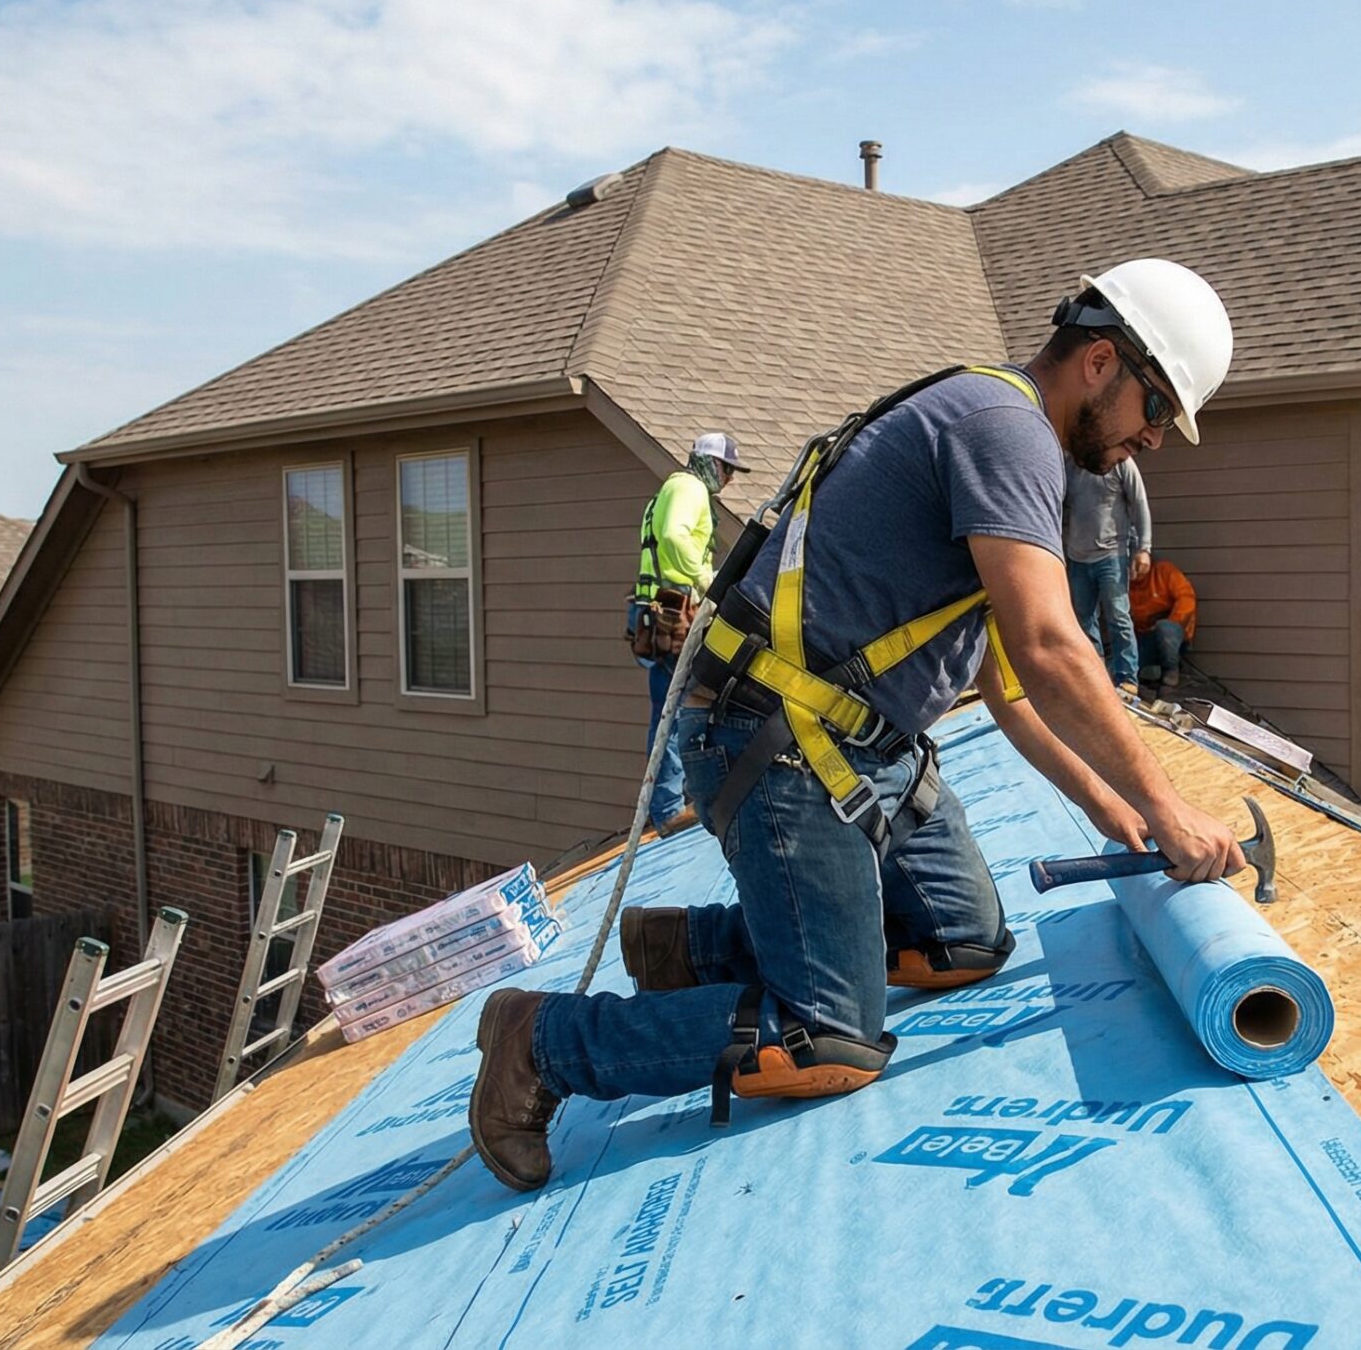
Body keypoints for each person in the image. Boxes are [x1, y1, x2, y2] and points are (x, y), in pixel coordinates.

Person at [470, 259, 1247, 1192]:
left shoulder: (1006, 439)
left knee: (965, 939)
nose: (1153, 439)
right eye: (1155, 407)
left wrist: (1118, 811)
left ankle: (687, 946)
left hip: (861, 742)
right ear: (1098, 360)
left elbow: (1010, 689)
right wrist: (1170, 810)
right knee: (827, 1036)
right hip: (778, 740)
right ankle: (542, 1041)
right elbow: (1051, 643)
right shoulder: (1007, 432)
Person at [628, 432, 748, 834]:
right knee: (680, 708)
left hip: (657, 609)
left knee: (672, 705)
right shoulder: (689, 488)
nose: (729, 479)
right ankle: (667, 808)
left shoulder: (674, 488)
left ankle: (667, 801)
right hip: (672, 610)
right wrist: (707, 580)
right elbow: (675, 537)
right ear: (710, 463)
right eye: (727, 468)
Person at [1063, 456, 1151, 695]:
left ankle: (1127, 678)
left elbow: (1139, 502)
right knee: (1084, 620)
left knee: (1118, 616)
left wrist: (1143, 548)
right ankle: (1094, 677)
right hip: (1077, 556)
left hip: (1112, 554)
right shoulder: (1069, 466)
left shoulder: (1121, 462)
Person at [1131, 555, 1197, 689]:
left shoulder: (1164, 571)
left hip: (1173, 635)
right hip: (1143, 638)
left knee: (1165, 628)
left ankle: (1171, 671)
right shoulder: (1119, 582)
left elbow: (1187, 599)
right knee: (1116, 668)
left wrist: (1173, 620)